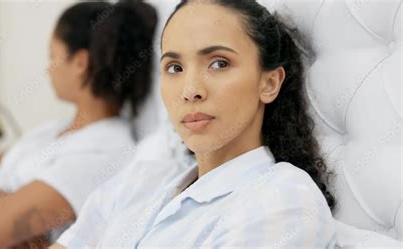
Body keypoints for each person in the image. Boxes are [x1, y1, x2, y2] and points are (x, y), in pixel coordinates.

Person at [50, 0, 337, 247]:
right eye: (174, 68)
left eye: (219, 63)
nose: (190, 90)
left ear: (269, 83)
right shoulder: (138, 182)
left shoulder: (283, 198)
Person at [0, 1, 157, 248]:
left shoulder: (106, 151)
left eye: (53, 56)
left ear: (80, 63)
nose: (48, 69)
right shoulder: (50, 131)